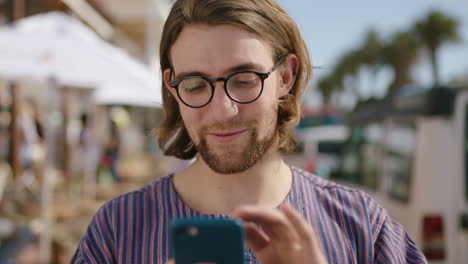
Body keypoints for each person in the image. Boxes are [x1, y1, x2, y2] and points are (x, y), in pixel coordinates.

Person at [71, 0, 428, 263]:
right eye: (195, 84)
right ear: (172, 86)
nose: (223, 109)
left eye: (244, 80)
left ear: (285, 77)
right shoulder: (116, 232)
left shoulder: (363, 227)